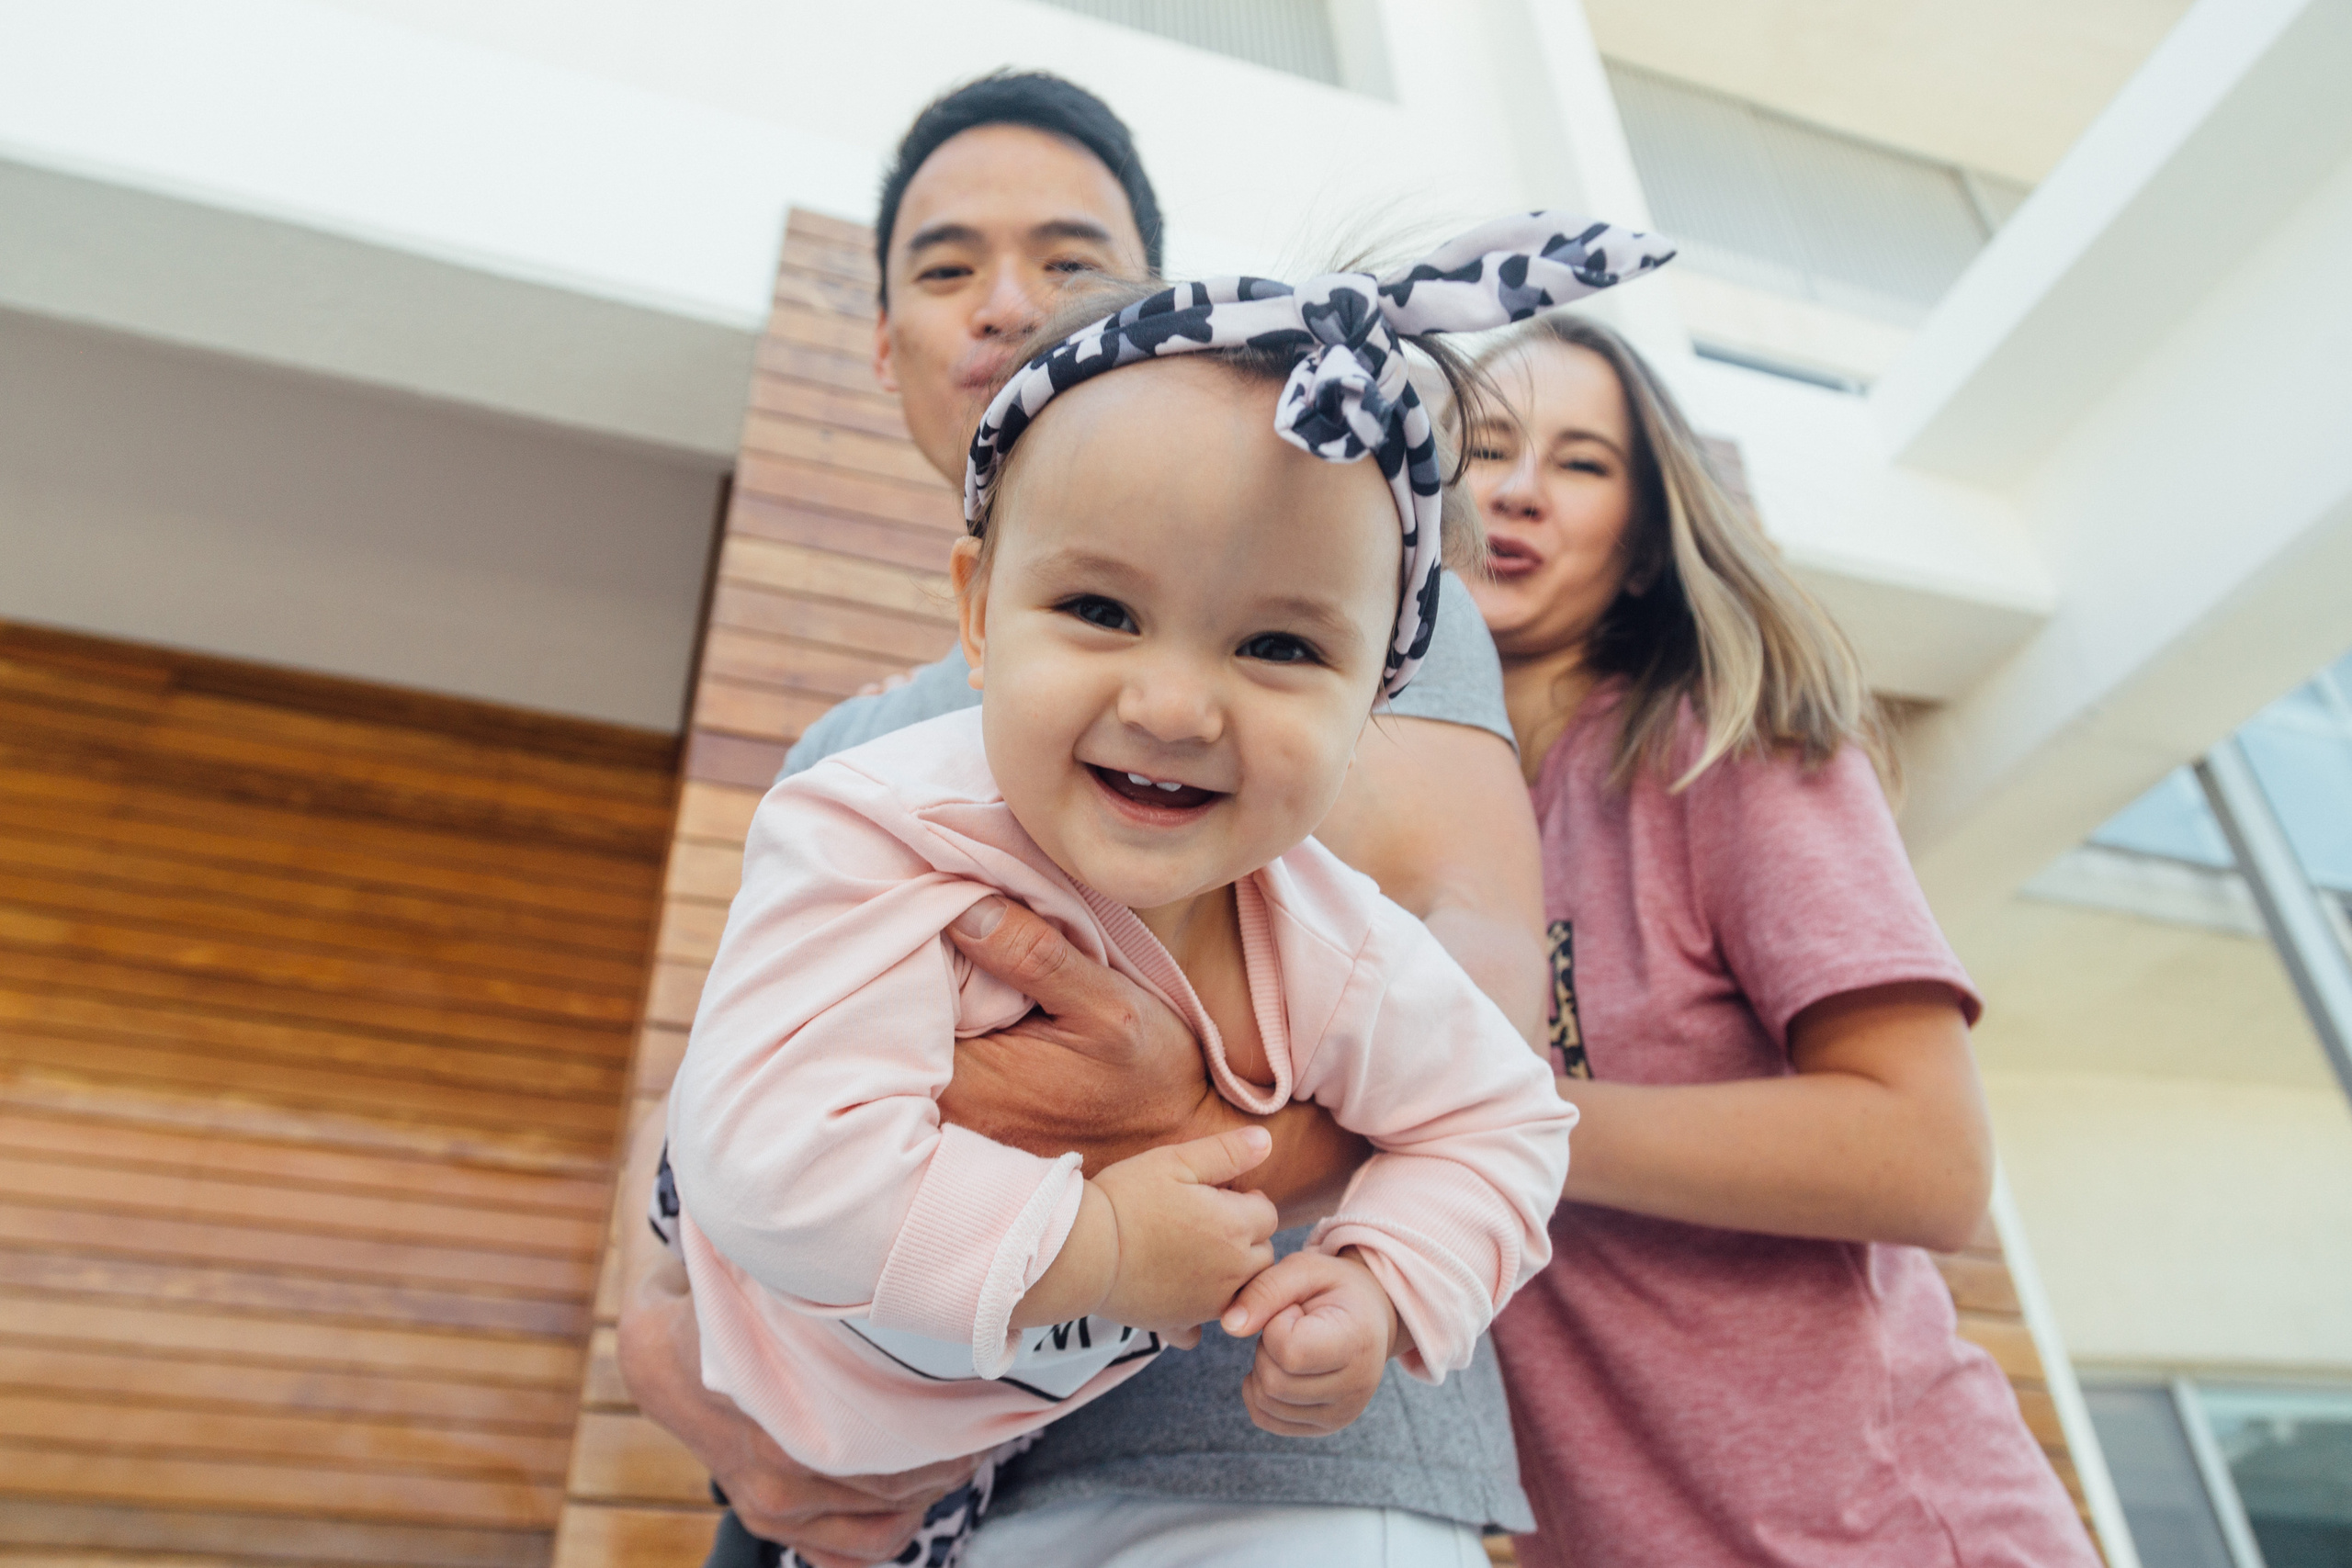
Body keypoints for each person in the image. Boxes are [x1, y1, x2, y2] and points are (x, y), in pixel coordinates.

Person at [617, 73, 1560, 1568]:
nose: (1177, 705)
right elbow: (734, 1121)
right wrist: (663, 1338)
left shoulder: (1344, 559)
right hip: (839, 1457)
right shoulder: (862, 798)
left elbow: (1496, 1075)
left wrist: (1383, 1276)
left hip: (1243, 1475)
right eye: (1102, 610)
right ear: (978, 606)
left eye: (1277, 648)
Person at [1460, 313, 2103, 1568]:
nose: (1519, 488)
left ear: (1642, 549)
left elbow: (1929, 1156)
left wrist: (1493, 1120)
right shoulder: (1403, 828)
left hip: (1888, 1537)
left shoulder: (1722, 748)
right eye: (1483, 447)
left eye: (1582, 462)